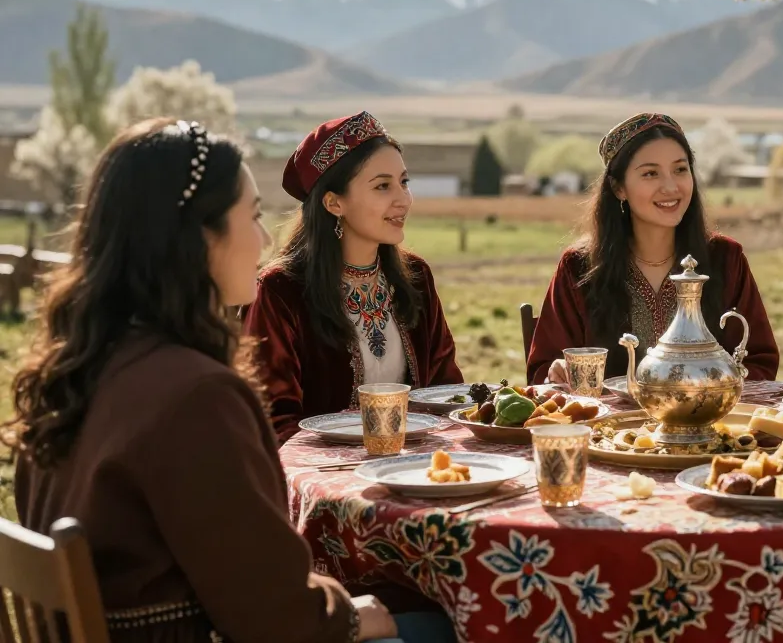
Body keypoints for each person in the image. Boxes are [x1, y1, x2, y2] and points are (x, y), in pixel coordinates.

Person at [7, 118, 453, 642]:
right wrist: (359, 613)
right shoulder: (196, 394)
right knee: (458, 625)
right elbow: (277, 615)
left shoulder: (78, 368)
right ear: (198, 237)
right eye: (254, 216)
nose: (265, 238)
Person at [244, 112, 464, 444]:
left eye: (404, 182)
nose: (403, 199)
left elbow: (446, 392)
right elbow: (273, 422)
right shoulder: (282, 290)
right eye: (382, 186)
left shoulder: (416, 277)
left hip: (414, 470)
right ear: (334, 203)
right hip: (318, 477)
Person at [526, 112, 778, 386]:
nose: (670, 186)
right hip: (608, 427)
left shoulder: (725, 259)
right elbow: (544, 373)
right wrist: (559, 370)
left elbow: (758, 362)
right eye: (650, 173)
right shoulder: (579, 267)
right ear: (618, 187)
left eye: (680, 169)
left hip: (706, 423)